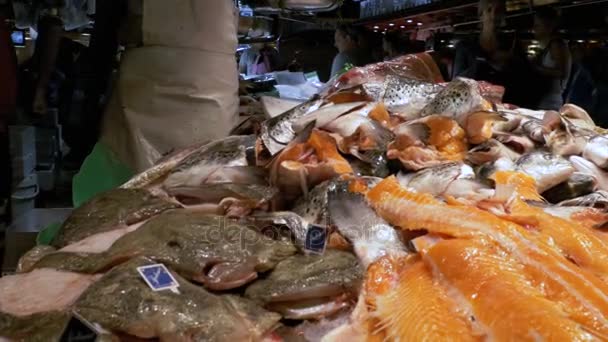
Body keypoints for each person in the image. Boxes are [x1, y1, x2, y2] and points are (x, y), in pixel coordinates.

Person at [453, 0, 538, 108]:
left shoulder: (512, 45)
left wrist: (511, 63)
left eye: (498, 11)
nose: (494, 15)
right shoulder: (466, 45)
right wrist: (485, 61)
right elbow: (456, 82)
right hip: (474, 109)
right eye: (489, 10)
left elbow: (526, 82)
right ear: (481, 15)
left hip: (507, 110)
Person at [531, 7, 571, 110]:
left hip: (551, 103)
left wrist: (536, 68)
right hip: (546, 100)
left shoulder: (557, 45)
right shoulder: (548, 46)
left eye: (537, 25)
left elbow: (561, 72)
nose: (534, 28)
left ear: (549, 27)